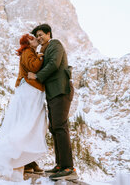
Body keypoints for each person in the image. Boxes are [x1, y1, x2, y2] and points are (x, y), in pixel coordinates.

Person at [0, 33, 48, 181]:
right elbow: (33, 66)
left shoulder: (28, 52)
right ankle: (16, 156)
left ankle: (22, 161)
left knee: (29, 122)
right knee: (28, 122)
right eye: (33, 38)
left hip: (30, 89)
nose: (36, 39)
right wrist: (41, 56)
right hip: (30, 89)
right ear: (28, 41)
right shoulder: (28, 52)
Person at [28, 23, 78, 181]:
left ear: (49, 34)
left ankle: (69, 167)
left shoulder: (55, 44)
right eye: (37, 36)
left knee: (60, 127)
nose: (39, 37)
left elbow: (54, 64)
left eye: (41, 34)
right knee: (55, 128)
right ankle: (60, 165)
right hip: (53, 93)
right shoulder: (44, 49)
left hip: (61, 90)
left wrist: (37, 76)